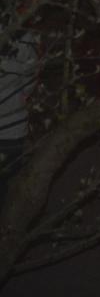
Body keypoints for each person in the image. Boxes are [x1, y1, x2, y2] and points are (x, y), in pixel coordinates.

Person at [0, 31, 39, 206]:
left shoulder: (23, 36)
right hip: (12, 128)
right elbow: (30, 78)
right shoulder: (23, 36)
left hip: (11, 127)